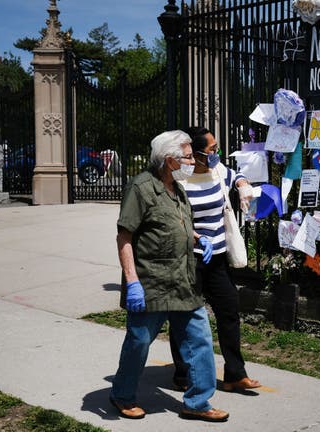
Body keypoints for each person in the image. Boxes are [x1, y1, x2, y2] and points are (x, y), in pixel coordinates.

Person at [109, 130, 228, 422]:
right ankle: (122, 395)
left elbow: (178, 225)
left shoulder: (178, 187)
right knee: (138, 342)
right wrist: (132, 281)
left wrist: (198, 238)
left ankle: (197, 403)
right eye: (187, 156)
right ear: (168, 160)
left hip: (184, 280)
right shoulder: (140, 188)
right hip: (151, 283)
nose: (192, 161)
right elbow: (124, 236)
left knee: (200, 339)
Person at [169, 126, 262, 393]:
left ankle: (235, 373)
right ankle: (183, 373)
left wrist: (243, 184)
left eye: (216, 148)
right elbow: (171, 217)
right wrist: (195, 236)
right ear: (195, 154)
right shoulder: (179, 180)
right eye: (211, 150)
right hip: (190, 259)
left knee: (229, 311)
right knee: (185, 316)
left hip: (217, 258)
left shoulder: (219, 171)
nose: (216, 153)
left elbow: (237, 176)